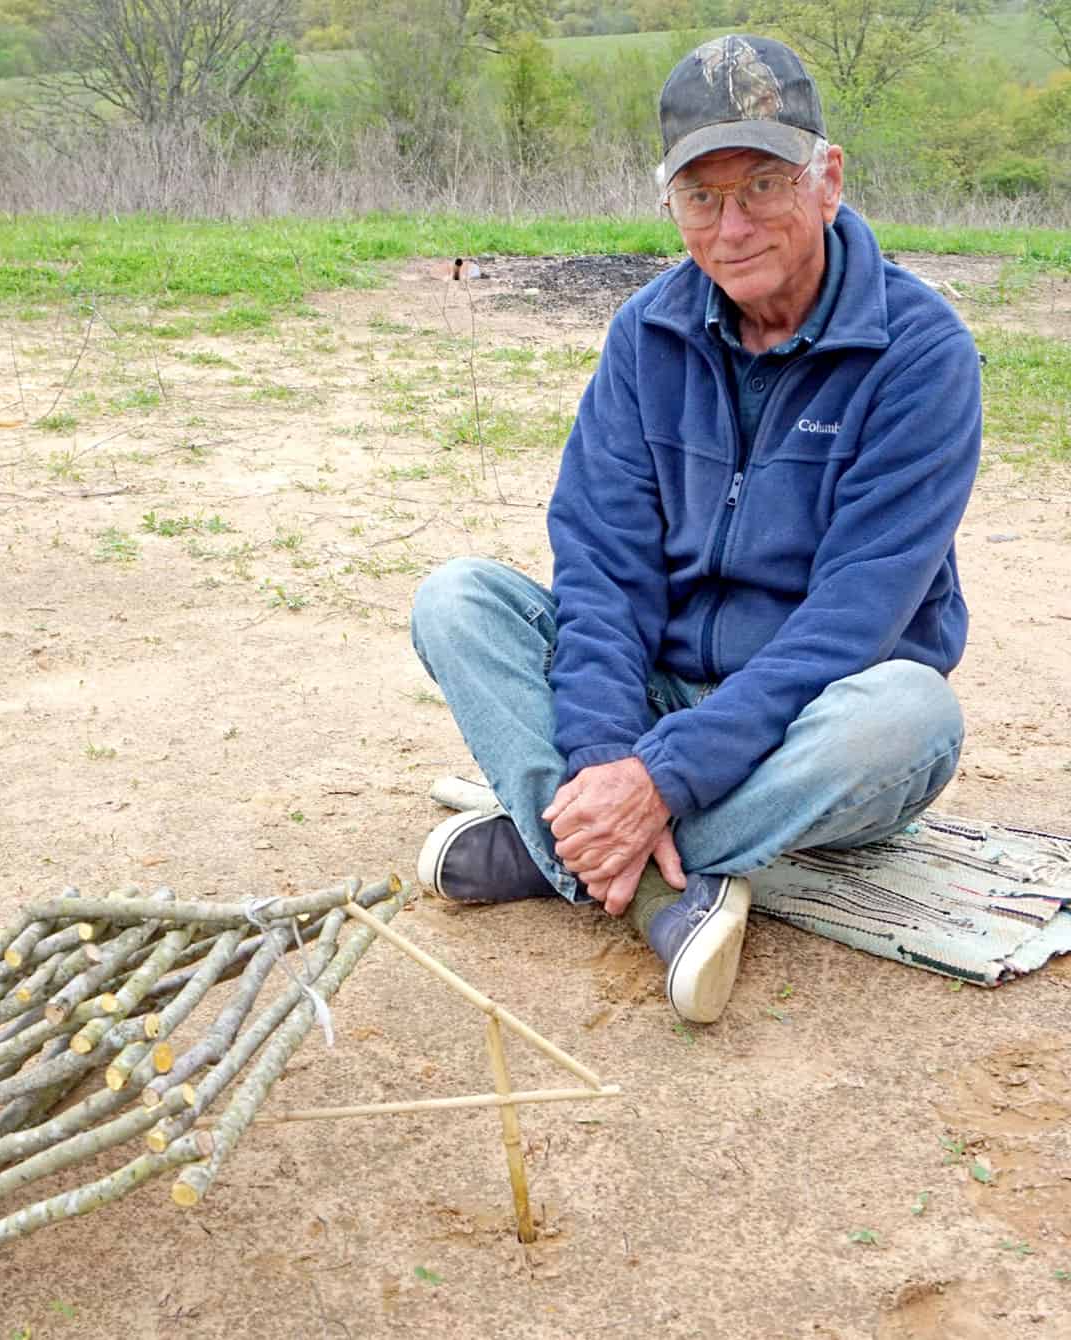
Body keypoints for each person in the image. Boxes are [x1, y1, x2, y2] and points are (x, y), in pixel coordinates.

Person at [409, 34, 981, 1024]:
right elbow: (601, 570)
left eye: (763, 184)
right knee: (457, 600)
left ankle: (562, 851)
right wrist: (604, 759)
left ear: (827, 178)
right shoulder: (646, 334)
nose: (733, 224)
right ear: (669, 202)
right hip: (656, 693)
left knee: (912, 717)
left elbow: (852, 622)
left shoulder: (922, 353)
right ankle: (647, 868)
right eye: (701, 197)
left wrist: (663, 777)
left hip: (816, 717)